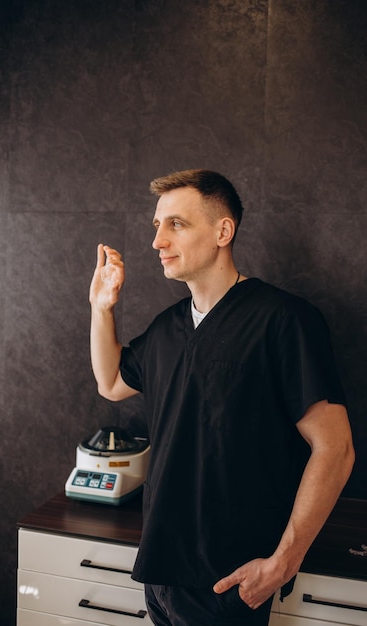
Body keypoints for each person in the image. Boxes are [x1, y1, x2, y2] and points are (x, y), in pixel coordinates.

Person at [89, 169, 355, 626]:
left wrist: (284, 562)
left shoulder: (284, 320)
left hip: (227, 580)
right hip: (161, 570)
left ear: (222, 231)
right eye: (157, 226)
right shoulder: (167, 328)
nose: (157, 242)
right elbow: (111, 382)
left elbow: (336, 449)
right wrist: (101, 307)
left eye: (176, 224)